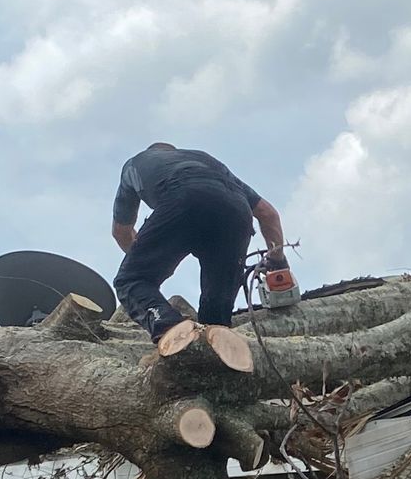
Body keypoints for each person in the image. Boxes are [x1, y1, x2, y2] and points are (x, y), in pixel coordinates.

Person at [109, 141, 288, 340]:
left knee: (131, 281)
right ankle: (213, 350)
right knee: (217, 315)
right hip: (236, 211)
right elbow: (268, 214)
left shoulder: (134, 164)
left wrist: (145, 258)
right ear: (176, 152)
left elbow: (121, 231)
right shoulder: (204, 159)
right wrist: (278, 264)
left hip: (184, 197)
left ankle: (169, 328)